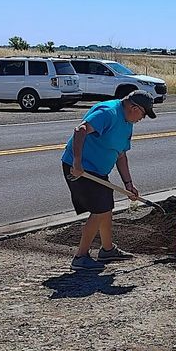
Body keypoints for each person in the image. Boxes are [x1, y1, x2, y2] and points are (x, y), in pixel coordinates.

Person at [61, 92, 156, 270]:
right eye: (143, 114)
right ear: (134, 108)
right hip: (80, 169)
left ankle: (107, 250)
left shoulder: (127, 123)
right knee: (99, 210)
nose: (142, 118)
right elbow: (80, 130)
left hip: (98, 171)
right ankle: (80, 257)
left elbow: (121, 155)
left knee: (106, 208)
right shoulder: (108, 112)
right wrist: (77, 162)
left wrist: (128, 183)